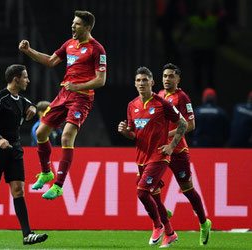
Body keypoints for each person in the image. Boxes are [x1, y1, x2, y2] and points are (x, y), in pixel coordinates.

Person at [19, 10, 107, 199]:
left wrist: (78, 86)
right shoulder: (69, 44)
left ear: (87, 27)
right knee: (40, 132)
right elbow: (51, 61)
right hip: (64, 94)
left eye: (76, 24)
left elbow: (101, 80)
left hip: (82, 97)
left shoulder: (97, 49)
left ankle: (58, 185)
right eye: (72, 23)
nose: (72, 26)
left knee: (67, 136)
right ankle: (46, 172)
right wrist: (29, 51)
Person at [0, 64, 48, 245]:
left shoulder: (22, 100)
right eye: (25, 77)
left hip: (15, 149)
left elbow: (30, 105)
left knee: (18, 189)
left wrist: (32, 107)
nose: (28, 80)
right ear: (16, 79)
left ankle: (27, 234)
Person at [118, 66, 187, 248]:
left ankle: (157, 225)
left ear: (152, 82)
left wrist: (172, 146)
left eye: (145, 80)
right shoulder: (132, 105)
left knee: (142, 192)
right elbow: (134, 134)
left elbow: (183, 123)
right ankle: (170, 233)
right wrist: (126, 132)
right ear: (135, 83)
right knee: (155, 197)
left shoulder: (162, 103)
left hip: (159, 156)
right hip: (141, 157)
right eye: (138, 80)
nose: (141, 83)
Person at [158, 63, 212, 245]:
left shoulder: (183, 98)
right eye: (165, 76)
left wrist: (168, 135)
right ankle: (163, 213)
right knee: (145, 185)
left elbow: (190, 125)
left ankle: (204, 223)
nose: (167, 79)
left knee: (188, 190)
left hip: (178, 150)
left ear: (178, 79)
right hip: (159, 149)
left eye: (171, 76)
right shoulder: (158, 95)